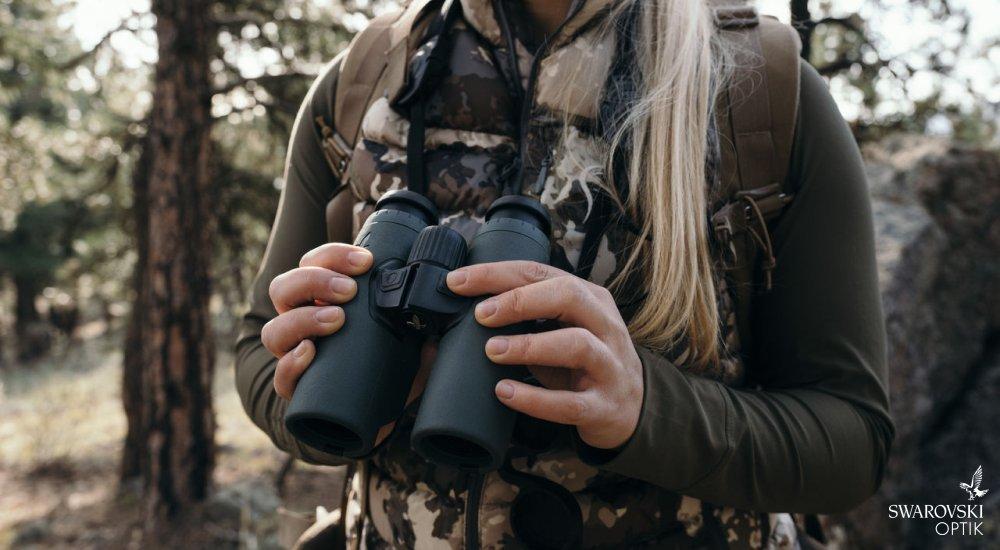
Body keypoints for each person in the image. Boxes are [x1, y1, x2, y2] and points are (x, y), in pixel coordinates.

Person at [235, 0, 894, 547]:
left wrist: (646, 410)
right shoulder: (366, 79)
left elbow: (851, 440)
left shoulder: (759, 91)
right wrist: (321, 389)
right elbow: (257, 352)